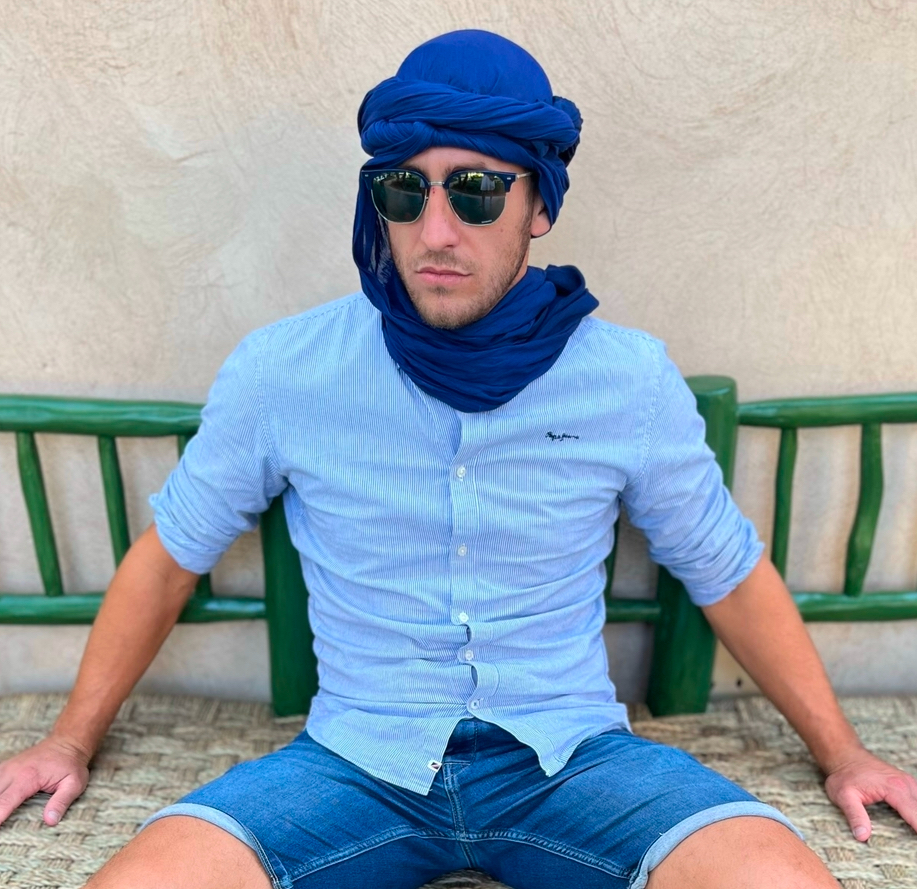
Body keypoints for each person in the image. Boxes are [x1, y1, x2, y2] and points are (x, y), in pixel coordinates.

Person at [1, 29, 915, 889]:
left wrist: (842, 753)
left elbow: (726, 571)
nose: (435, 230)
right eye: (405, 191)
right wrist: (69, 741)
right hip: (354, 762)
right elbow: (169, 557)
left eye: (475, 190)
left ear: (539, 204)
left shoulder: (626, 380)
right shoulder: (285, 372)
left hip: (572, 760)